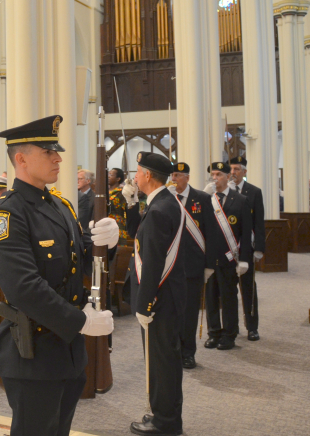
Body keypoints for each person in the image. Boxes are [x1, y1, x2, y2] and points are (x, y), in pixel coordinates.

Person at [0, 114, 116, 436]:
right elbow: (23, 288)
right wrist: (81, 321)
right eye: (48, 152)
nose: (58, 158)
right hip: (33, 352)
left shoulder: (60, 206)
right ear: (21, 159)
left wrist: (107, 243)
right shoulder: (7, 213)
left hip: (67, 351)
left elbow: (83, 262)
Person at [129, 152, 185, 436]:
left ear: (148, 175)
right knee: (166, 359)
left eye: (138, 172)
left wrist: (144, 303)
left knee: (162, 361)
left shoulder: (160, 209)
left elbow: (152, 261)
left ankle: (165, 421)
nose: (135, 177)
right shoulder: (165, 203)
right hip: (168, 295)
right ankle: (166, 415)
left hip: (159, 297)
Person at [169, 163, 218, 370]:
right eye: (172, 174)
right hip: (170, 266)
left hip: (193, 266)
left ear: (187, 178)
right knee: (171, 312)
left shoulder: (202, 199)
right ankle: (172, 351)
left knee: (189, 313)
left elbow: (212, 233)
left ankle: (188, 353)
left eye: (178, 175)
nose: (173, 178)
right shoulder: (166, 199)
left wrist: (209, 265)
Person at [204, 162, 253, 351]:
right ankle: (213, 332)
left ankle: (229, 334)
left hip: (229, 257)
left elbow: (246, 232)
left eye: (218, 174)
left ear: (227, 177)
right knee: (210, 297)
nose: (214, 178)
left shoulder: (240, 200)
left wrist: (245, 259)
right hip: (210, 257)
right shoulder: (207, 199)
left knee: (229, 297)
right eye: (212, 175)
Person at [228, 156, 264, 341]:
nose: (233, 172)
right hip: (227, 248)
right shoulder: (222, 191)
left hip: (246, 248)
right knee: (229, 289)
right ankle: (232, 327)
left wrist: (259, 247)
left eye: (236, 169)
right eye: (231, 169)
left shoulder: (254, 192)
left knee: (248, 288)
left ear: (244, 172)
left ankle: (252, 327)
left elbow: (258, 222)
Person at [107, 168, 131, 246]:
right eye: (108, 174)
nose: (108, 176)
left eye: (111, 175)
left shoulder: (121, 192)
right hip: (105, 223)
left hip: (117, 224)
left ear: (118, 179)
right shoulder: (105, 191)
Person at [77, 168, 95, 236]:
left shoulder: (94, 198)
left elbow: (93, 220)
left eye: (80, 179)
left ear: (88, 181)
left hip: (86, 235)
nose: (77, 181)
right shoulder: (73, 195)